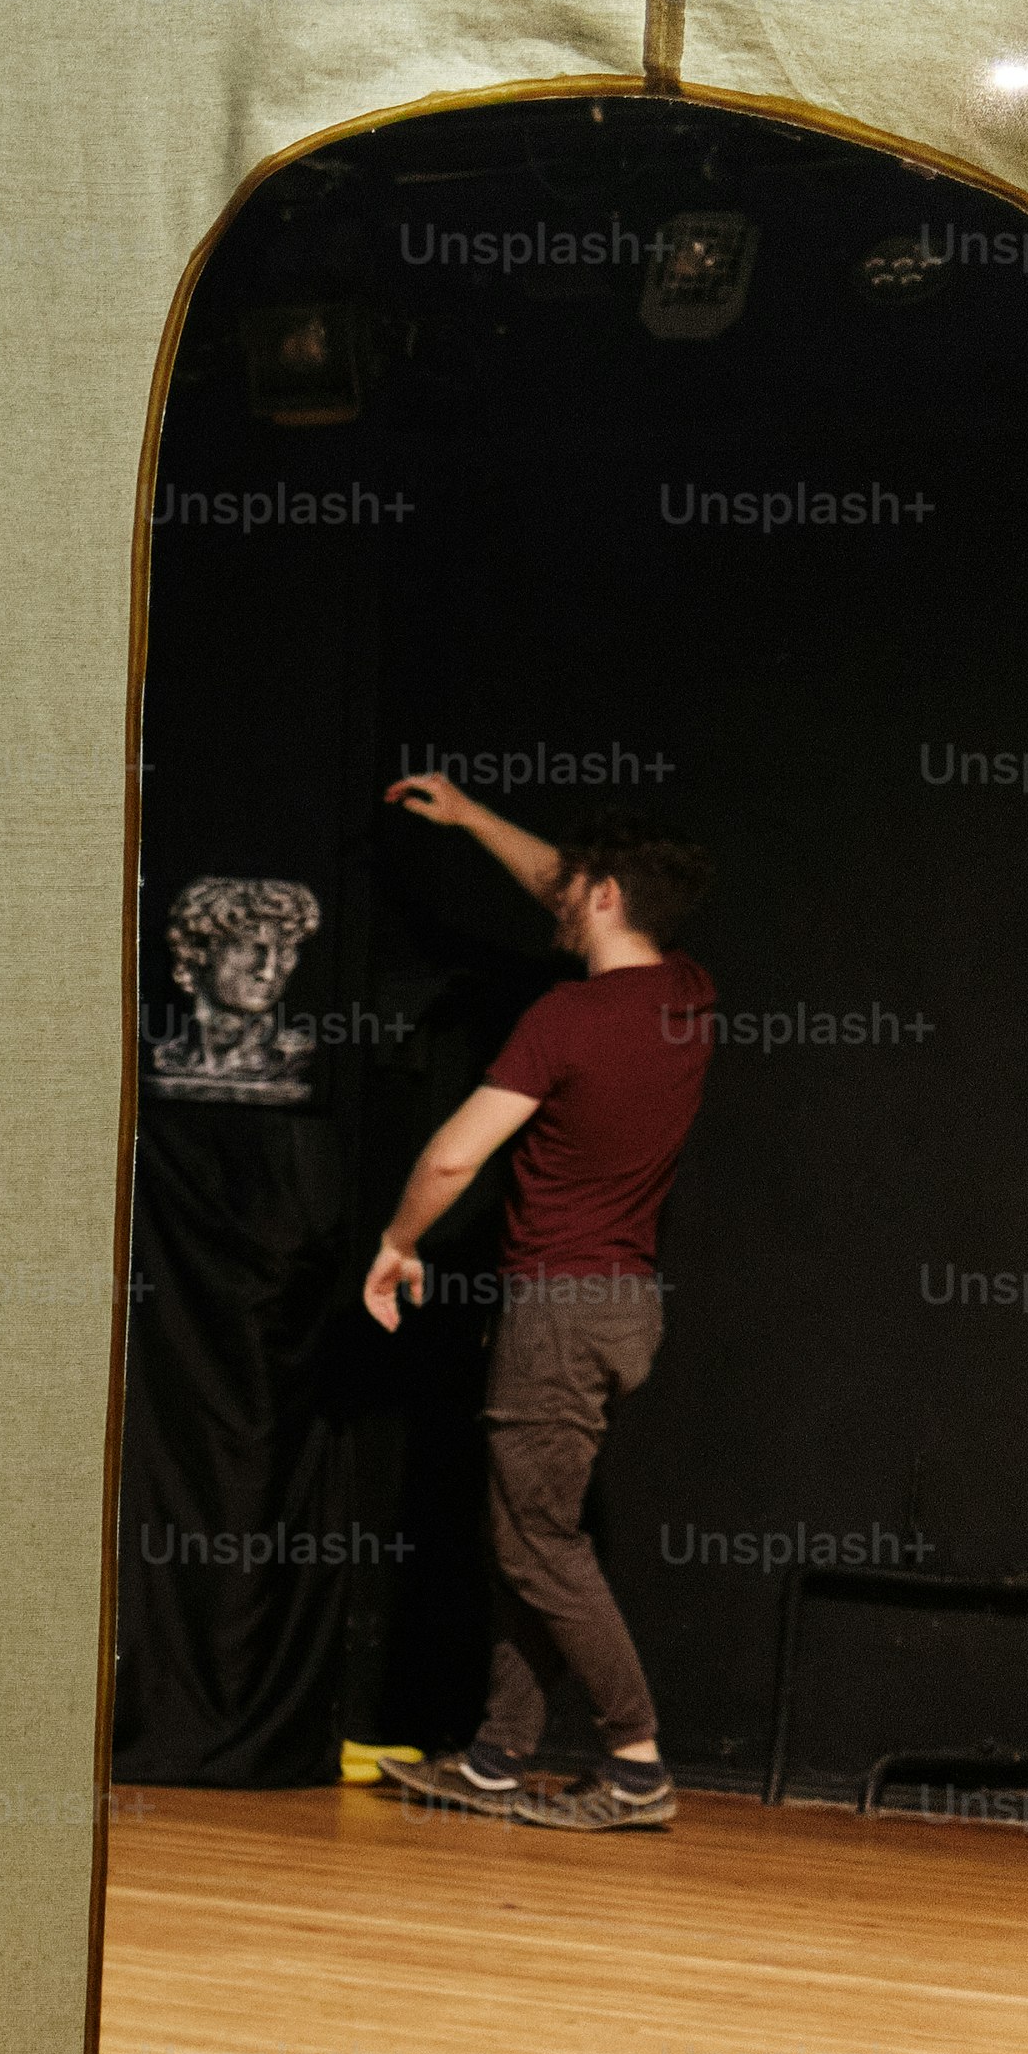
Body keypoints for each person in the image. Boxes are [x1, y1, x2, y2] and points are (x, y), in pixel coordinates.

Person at [360, 775, 715, 1834]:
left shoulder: (563, 1017)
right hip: (623, 1306)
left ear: (604, 894)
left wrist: (396, 1242)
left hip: (558, 1309)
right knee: (529, 1530)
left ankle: (638, 1762)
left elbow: (454, 1155)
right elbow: (572, 884)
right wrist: (470, 819)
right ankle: (495, 1757)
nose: (554, 903)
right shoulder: (689, 991)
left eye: (574, 891)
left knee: (535, 1544)